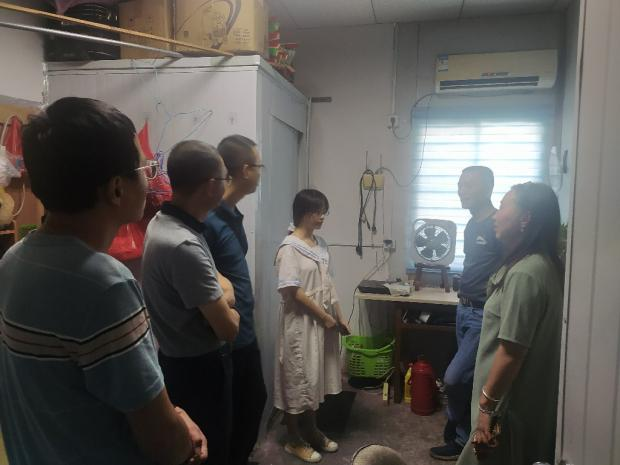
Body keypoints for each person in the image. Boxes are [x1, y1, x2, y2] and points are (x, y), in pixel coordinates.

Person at [0, 97, 207, 465]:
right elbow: (166, 445)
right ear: (116, 189)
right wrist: (179, 427)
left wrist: (170, 415)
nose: (149, 177)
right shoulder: (105, 287)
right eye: (144, 168)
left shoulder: (13, 260)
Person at [141, 140, 240, 465]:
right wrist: (229, 299)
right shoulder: (183, 244)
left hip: (176, 360)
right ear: (211, 186)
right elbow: (228, 328)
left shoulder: (164, 222)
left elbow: (219, 281)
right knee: (212, 449)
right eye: (225, 178)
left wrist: (222, 292)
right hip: (199, 369)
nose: (227, 184)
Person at [456, 182, 564, 465]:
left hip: (505, 405)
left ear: (525, 218)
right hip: (510, 400)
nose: (496, 214)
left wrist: (486, 408)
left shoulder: (525, 274)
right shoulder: (538, 264)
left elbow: (511, 353)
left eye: (503, 206)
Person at [202, 135, 267, 465]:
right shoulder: (209, 220)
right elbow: (203, 279)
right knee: (234, 413)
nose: (260, 173)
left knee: (252, 404)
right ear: (244, 170)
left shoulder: (231, 213)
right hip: (227, 338)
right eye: (258, 166)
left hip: (245, 332)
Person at [274, 188, 351, 463]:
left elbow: (328, 283)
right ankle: (293, 438)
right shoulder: (289, 248)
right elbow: (293, 291)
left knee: (314, 377)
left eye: (323, 212)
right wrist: (324, 317)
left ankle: (311, 429)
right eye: (319, 212)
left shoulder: (320, 245)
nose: (322, 217)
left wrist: (340, 315)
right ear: (306, 214)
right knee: (297, 378)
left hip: (321, 321)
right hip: (300, 324)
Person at [431, 166, 502, 460]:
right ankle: (463, 431)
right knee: (468, 378)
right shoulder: (472, 224)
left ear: (487, 188)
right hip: (463, 308)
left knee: (453, 377)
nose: (461, 191)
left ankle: (459, 434)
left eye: (468, 185)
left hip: (482, 315)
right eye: (460, 185)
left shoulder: (498, 224)